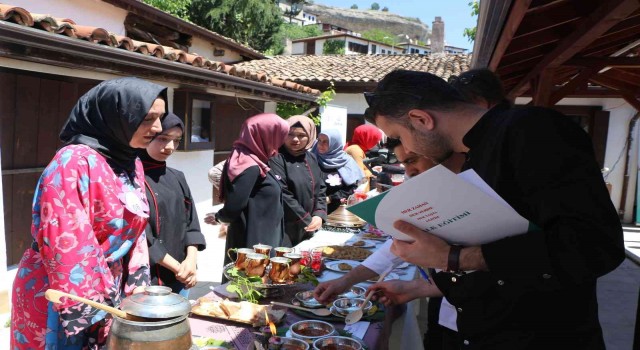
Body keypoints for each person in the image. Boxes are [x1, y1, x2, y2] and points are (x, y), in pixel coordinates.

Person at [364, 70, 624, 349]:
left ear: (421, 120)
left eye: (399, 137)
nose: (406, 149)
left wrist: (453, 257)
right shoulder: (472, 156)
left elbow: (595, 245)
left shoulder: (532, 131)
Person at [11, 77, 167, 349]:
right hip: (62, 292)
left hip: (107, 288)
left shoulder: (131, 163)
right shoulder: (73, 161)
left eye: (160, 118)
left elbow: (137, 233)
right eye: (147, 118)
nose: (157, 128)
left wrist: (137, 289)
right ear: (116, 116)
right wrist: (96, 306)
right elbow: (64, 239)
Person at [139, 113, 206, 297]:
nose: (170, 147)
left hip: (181, 277)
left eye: (176, 141)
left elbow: (191, 224)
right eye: (162, 139)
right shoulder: (132, 178)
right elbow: (142, 234)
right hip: (148, 281)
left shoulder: (177, 176)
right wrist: (178, 268)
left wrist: (190, 262)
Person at [214, 113, 290, 267]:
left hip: (260, 240)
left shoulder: (255, 160)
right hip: (254, 245)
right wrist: (220, 217)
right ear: (266, 135)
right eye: (278, 136)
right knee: (250, 287)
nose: (280, 142)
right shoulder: (250, 165)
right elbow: (235, 205)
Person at [269, 115, 327, 246]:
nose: (295, 139)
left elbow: (321, 188)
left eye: (302, 135)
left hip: (309, 225)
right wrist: (305, 218)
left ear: (310, 137)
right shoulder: (276, 158)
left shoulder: (311, 158)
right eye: (290, 134)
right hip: (284, 227)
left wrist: (319, 214)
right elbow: (282, 192)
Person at [311, 129, 364, 214]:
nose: (320, 144)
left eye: (326, 141)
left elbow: (352, 187)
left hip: (334, 212)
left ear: (334, 143)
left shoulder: (346, 162)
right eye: (319, 140)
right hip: (309, 208)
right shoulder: (311, 157)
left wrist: (331, 198)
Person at [345, 124, 383, 192]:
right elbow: (359, 176)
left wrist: (371, 169)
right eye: (374, 139)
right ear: (367, 137)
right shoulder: (356, 150)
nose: (376, 143)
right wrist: (372, 172)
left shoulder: (357, 148)